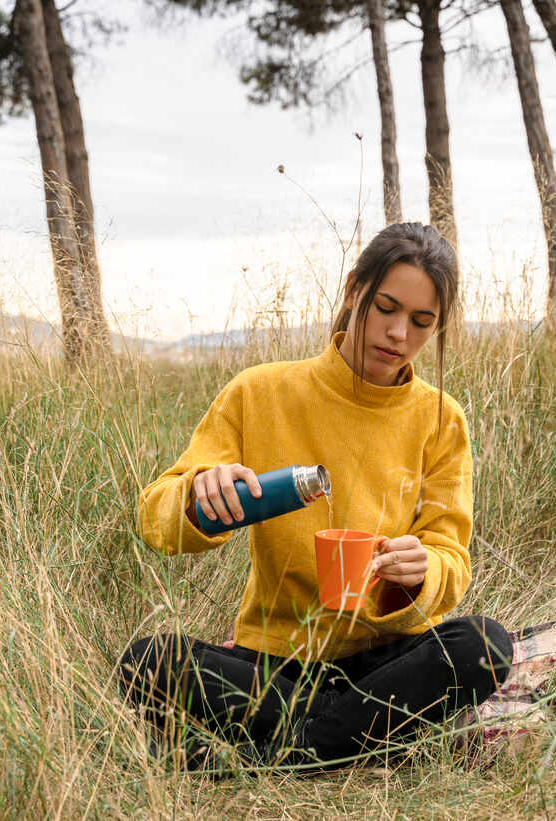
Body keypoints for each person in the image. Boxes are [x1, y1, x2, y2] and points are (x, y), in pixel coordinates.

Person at [118, 222, 512, 770]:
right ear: (355, 291)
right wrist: (195, 496)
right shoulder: (259, 393)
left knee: (485, 645)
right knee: (147, 662)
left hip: (386, 661)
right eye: (386, 308)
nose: (399, 333)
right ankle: (356, 739)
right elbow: (156, 516)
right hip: (275, 663)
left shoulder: (441, 419)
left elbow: (451, 555)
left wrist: (425, 570)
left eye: (422, 322)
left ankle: (275, 756)